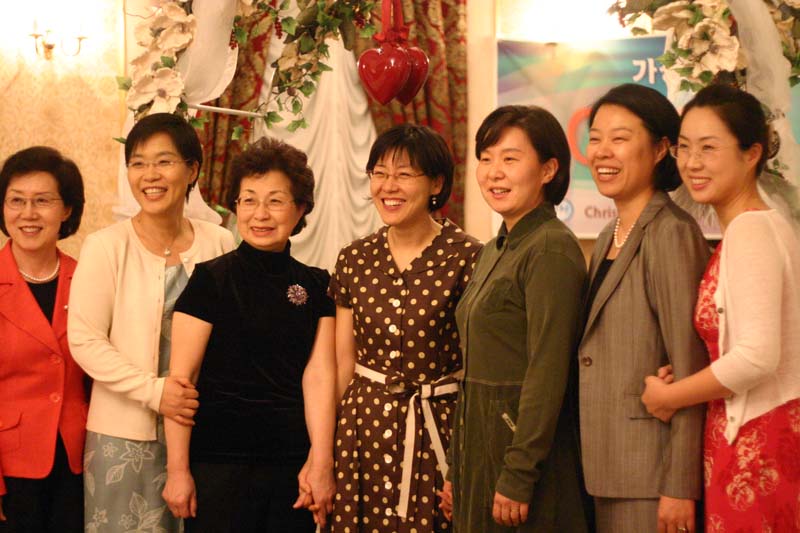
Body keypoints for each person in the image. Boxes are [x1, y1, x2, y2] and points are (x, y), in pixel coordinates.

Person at [641, 84, 800, 531]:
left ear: (752, 154)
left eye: (709, 148)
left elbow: (757, 356)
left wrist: (669, 396)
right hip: (753, 431)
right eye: (685, 147)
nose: (692, 163)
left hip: (759, 441)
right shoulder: (756, 227)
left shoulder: (751, 231)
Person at [68, 113, 235, 532]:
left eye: (164, 161)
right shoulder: (105, 246)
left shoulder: (219, 241)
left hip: (205, 431)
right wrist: (155, 392)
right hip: (122, 438)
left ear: (192, 170)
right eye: (138, 163)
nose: (150, 175)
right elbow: (86, 341)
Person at [161, 136, 336, 532]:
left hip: (293, 468)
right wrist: (178, 471)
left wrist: (321, 461)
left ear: (300, 208)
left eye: (275, 201)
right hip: (219, 465)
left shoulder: (317, 285)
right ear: (236, 206)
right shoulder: (210, 280)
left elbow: (320, 377)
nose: (260, 214)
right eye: (249, 200)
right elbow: (182, 383)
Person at [328, 123, 480, 532]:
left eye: (404, 174)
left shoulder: (469, 257)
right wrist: (325, 453)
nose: (388, 186)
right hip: (361, 433)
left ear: (436, 184)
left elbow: (477, 369)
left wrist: (466, 461)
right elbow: (343, 364)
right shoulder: (354, 259)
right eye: (379, 173)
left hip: (439, 432)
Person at [445, 105, 588, 532]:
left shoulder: (550, 248)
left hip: (520, 457)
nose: (494, 172)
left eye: (510, 159)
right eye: (486, 159)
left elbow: (548, 371)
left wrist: (520, 473)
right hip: (479, 448)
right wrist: (456, 465)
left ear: (548, 170)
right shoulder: (496, 248)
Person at [578, 83, 710, 533]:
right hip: (604, 464)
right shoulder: (606, 236)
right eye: (595, 138)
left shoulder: (670, 232)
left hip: (651, 474)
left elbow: (690, 366)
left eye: (619, 138)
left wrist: (680, 485)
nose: (602, 151)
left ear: (659, 149)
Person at [0, 147, 86, 532]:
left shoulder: (88, 278)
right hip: (10, 467)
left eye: (42, 201)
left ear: (66, 209)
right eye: (16, 201)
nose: (28, 213)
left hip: (78, 459)